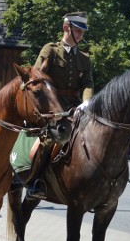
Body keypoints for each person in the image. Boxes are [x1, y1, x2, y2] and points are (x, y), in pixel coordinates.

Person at [25, 11, 94, 199]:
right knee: (50, 141)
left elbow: (87, 83)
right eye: (77, 31)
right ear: (66, 28)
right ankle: (35, 182)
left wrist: (86, 102)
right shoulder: (51, 50)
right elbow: (35, 77)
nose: (80, 35)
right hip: (52, 106)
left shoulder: (84, 58)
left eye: (82, 32)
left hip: (75, 106)